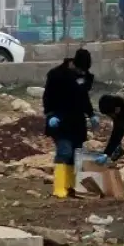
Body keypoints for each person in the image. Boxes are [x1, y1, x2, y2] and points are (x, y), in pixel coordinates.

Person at [42, 49, 99, 199]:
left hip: (77, 121)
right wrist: (50, 115)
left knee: (76, 154)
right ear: (74, 63)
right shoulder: (56, 75)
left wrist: (91, 114)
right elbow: (47, 97)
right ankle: (60, 187)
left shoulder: (84, 77)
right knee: (64, 151)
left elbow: (83, 98)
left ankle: (72, 187)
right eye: (80, 68)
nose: (82, 71)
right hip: (59, 120)